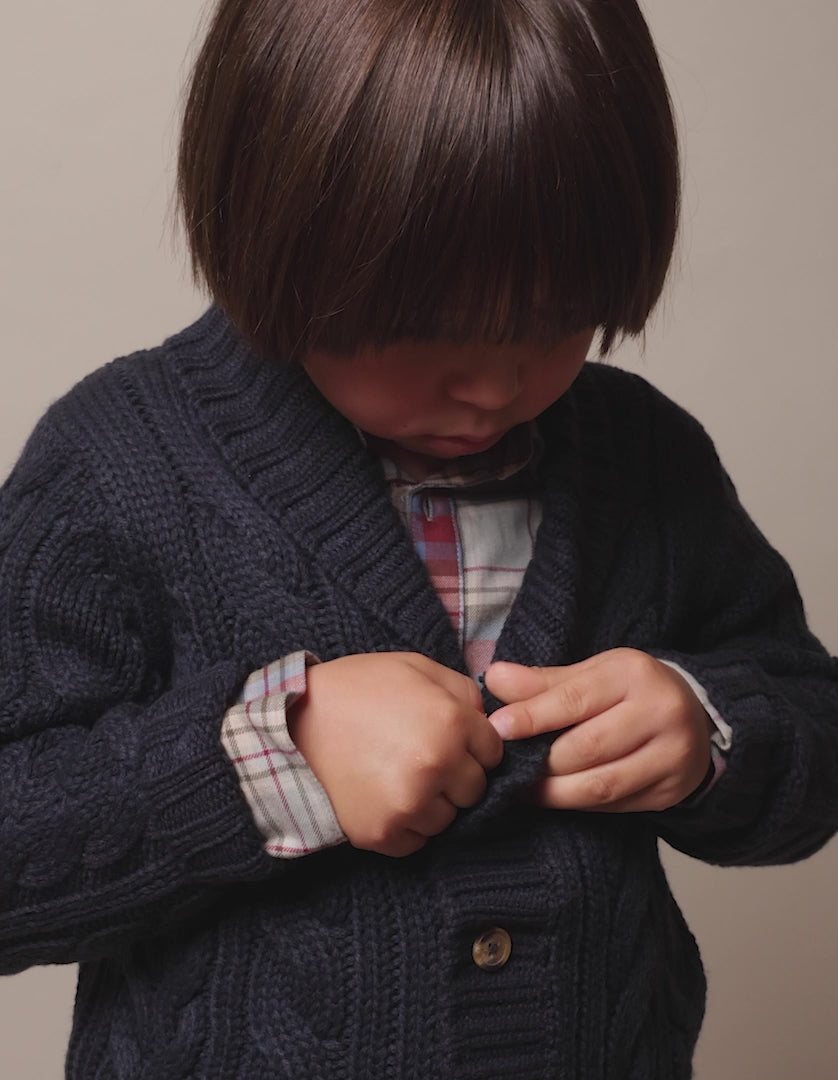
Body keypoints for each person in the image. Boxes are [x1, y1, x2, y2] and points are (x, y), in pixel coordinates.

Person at [0, 1, 836, 1077]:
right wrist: (270, 763)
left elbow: (810, 726)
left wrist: (712, 729)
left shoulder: (648, 464)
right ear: (279, 242)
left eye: (553, 318)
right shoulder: (118, 466)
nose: (493, 384)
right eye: (425, 327)